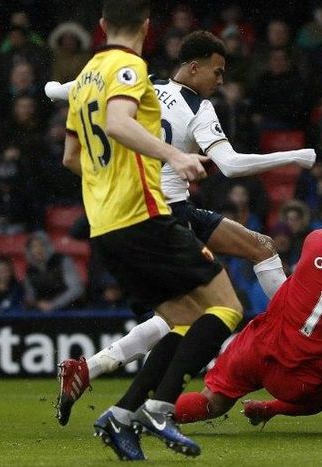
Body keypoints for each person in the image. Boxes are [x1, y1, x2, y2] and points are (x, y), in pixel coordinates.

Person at [47, 29, 316, 459]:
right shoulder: (197, 105)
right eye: (218, 71)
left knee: (256, 253)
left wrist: (57, 89)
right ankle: (294, 337)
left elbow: (68, 90)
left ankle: (99, 377)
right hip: (164, 213)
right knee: (203, 312)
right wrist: (296, 156)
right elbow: (228, 164)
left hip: (153, 211)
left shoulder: (142, 83)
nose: (220, 81)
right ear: (194, 66)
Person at [54, 1, 245, 458]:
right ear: (144, 27)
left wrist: (109, 184)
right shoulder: (128, 67)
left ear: (100, 26)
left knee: (181, 320)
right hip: (144, 215)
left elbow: (70, 157)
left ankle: (121, 416)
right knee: (226, 308)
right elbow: (119, 123)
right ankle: (159, 410)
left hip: (106, 226)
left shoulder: (84, 79)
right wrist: (174, 155)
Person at [127, 202, 322, 443]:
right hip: (297, 378)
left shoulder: (315, 242)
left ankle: (145, 414)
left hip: (255, 347)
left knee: (211, 404)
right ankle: (269, 409)